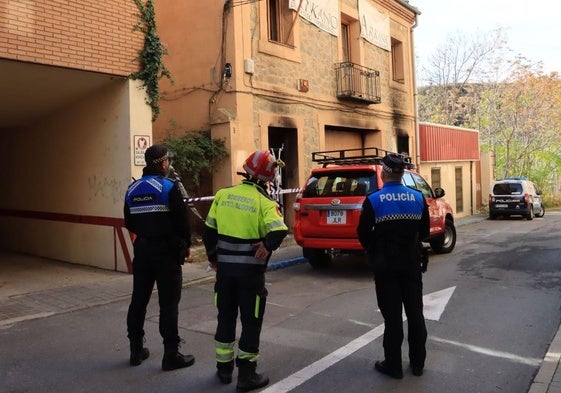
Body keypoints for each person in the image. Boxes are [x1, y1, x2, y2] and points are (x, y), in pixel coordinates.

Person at [203, 150, 288, 392]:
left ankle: (223, 370)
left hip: (225, 272)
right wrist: (266, 245)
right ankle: (246, 376)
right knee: (251, 322)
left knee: (225, 317)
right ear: (267, 179)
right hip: (250, 275)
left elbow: (209, 231)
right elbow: (280, 229)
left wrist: (213, 258)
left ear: (246, 170)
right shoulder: (264, 202)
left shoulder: (223, 195)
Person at [356, 153, 430, 379]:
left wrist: (373, 252)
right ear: (402, 173)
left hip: (385, 266)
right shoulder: (418, 198)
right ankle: (418, 364)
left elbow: (362, 233)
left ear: (384, 172)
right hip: (411, 264)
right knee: (416, 314)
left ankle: (394, 366)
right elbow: (425, 232)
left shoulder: (374, 200)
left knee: (393, 318)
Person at [124, 144, 195, 371]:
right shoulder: (167, 187)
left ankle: (136, 350)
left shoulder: (132, 189)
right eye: (168, 161)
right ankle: (171, 354)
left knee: (139, 300)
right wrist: (184, 245)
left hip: (142, 251)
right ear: (163, 163)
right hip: (167, 253)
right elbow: (182, 223)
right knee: (168, 304)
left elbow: (129, 222)